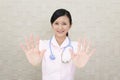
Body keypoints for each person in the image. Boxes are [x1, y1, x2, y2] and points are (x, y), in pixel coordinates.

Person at [20, 8, 95, 80]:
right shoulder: (42, 45)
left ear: (70, 25)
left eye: (64, 23)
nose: (60, 27)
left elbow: (79, 62)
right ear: (52, 25)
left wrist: (80, 64)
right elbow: (35, 60)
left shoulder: (76, 47)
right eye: (56, 23)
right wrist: (35, 62)